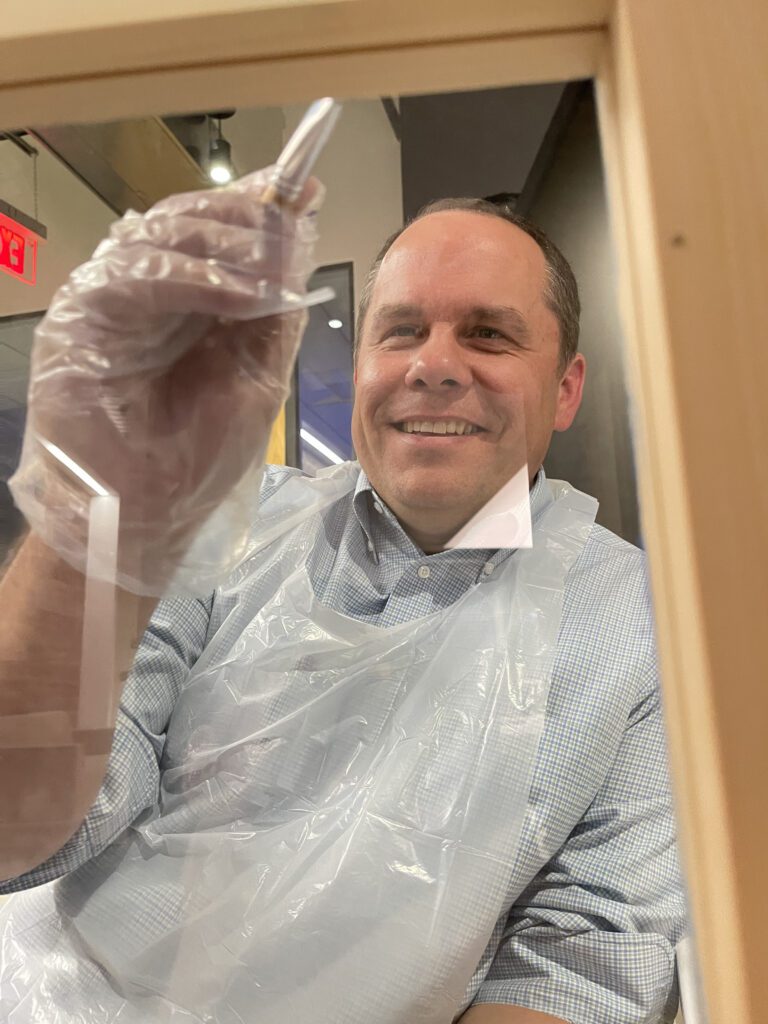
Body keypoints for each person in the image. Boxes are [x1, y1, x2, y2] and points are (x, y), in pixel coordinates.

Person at [0, 168, 685, 1024]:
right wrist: (85, 500)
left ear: (568, 386)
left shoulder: (647, 629)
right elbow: (25, 826)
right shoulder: (224, 527)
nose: (433, 365)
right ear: (360, 365)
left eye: (488, 336)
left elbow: (579, 962)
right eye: (400, 331)